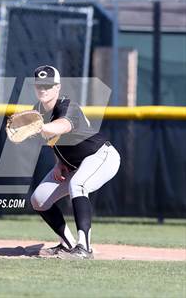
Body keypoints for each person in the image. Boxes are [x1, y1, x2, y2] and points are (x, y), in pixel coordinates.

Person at [30, 65, 120, 259]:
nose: (43, 89)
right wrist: (58, 162)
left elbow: (63, 126)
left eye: (48, 85)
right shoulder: (37, 111)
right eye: (39, 85)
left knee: (77, 184)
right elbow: (53, 140)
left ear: (57, 87)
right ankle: (68, 244)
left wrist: (44, 127)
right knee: (38, 199)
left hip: (102, 156)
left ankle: (84, 248)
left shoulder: (67, 106)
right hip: (73, 164)